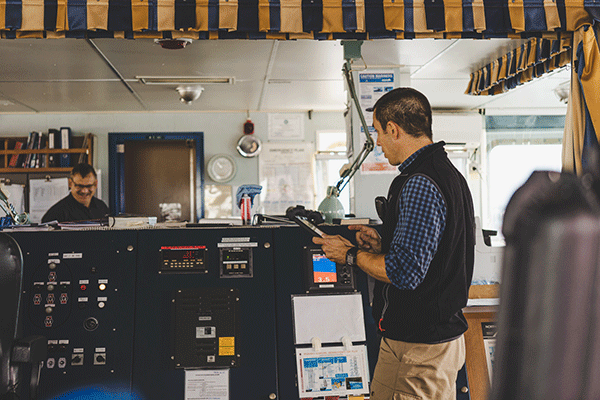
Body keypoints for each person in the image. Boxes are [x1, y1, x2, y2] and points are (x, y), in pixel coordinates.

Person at [313, 87, 475, 400]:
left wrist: (349, 255)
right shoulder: (447, 174)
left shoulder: (419, 183)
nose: (378, 143)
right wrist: (383, 243)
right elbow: (433, 251)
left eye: (377, 132)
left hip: (418, 350)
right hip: (427, 341)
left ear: (393, 129)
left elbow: (405, 273)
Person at [41, 163, 109, 223]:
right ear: (70, 183)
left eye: (89, 186)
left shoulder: (102, 208)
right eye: (79, 186)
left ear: (95, 184)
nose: (84, 191)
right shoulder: (56, 214)